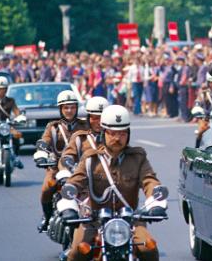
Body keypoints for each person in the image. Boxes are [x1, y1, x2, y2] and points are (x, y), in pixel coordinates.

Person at [58, 105, 167, 261]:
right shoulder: (90, 159)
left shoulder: (138, 158)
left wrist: (156, 203)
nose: (117, 138)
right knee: (77, 252)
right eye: (113, 133)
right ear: (103, 133)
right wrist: (69, 205)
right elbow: (75, 182)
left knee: (149, 248)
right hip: (94, 221)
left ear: (128, 135)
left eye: (122, 133)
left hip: (130, 222)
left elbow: (150, 180)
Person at [33, 90, 90, 232]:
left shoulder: (85, 126)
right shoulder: (53, 127)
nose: (69, 110)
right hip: (56, 167)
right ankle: (46, 217)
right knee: (47, 187)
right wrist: (41, 153)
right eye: (66, 107)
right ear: (60, 109)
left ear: (77, 108)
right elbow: (44, 141)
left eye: (72, 107)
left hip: (80, 167)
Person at [57, 96, 109, 174]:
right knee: (49, 183)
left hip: (109, 179)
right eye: (95, 118)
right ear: (88, 118)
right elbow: (67, 156)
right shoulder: (79, 138)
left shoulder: (114, 137)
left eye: (102, 118)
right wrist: (66, 167)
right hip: (84, 179)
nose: (99, 122)